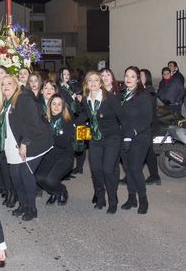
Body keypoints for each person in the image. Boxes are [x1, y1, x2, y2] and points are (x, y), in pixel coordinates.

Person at [0, 74, 53, 221]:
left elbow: (32, 123)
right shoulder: (6, 103)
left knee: (25, 174)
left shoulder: (23, 99)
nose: (6, 86)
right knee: (15, 175)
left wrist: (24, 143)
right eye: (3, 84)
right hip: (13, 144)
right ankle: (23, 204)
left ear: (16, 85)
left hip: (33, 142)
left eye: (9, 83)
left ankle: (31, 208)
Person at [79, 71, 123, 213]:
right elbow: (86, 116)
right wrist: (71, 124)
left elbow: (122, 117)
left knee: (107, 170)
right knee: (96, 170)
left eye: (96, 80)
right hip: (95, 138)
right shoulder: (86, 100)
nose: (93, 83)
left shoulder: (109, 98)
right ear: (86, 84)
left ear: (101, 83)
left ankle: (112, 200)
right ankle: (100, 198)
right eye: (90, 80)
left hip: (112, 138)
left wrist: (128, 137)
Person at [119, 66, 154, 214]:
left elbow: (146, 119)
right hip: (124, 137)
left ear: (138, 79)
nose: (128, 79)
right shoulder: (122, 95)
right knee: (128, 169)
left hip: (140, 137)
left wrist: (131, 133)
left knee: (135, 168)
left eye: (132, 76)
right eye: (127, 75)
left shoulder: (144, 96)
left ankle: (143, 200)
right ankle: (131, 198)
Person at [35, 94, 75, 205]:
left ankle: (61, 190)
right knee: (39, 178)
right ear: (49, 105)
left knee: (50, 180)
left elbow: (63, 142)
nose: (56, 106)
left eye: (59, 104)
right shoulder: (44, 119)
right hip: (49, 156)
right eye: (53, 104)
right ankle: (55, 192)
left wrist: (49, 135)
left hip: (64, 157)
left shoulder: (67, 120)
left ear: (63, 106)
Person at [0, 66, 16, 208]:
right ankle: (8, 191)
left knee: (10, 169)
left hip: (11, 140)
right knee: (3, 168)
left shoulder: (14, 97)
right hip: (1, 138)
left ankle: (13, 193)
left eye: (2, 74)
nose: (0, 77)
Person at [141, 68, 161, 186]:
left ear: (146, 78)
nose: (138, 78)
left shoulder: (149, 91)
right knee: (148, 152)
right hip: (147, 125)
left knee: (145, 152)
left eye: (141, 76)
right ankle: (155, 176)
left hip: (149, 126)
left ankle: (154, 176)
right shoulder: (143, 90)